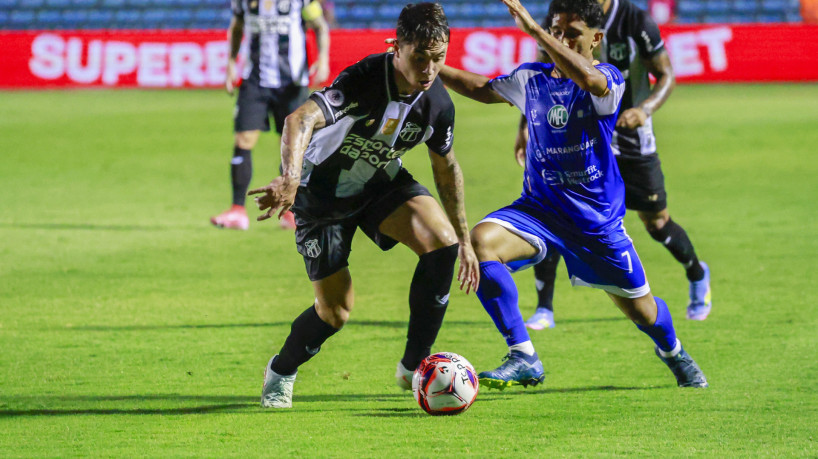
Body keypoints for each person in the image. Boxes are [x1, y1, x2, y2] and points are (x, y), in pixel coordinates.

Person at [438, 0, 708, 389]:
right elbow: (482, 87)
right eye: (556, 31)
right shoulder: (533, 77)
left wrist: (535, 30)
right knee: (481, 243)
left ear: (597, 39)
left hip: (594, 223)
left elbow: (591, 81)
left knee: (644, 312)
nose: (559, 40)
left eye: (571, 33)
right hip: (539, 211)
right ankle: (523, 354)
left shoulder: (608, 80)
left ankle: (673, 352)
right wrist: (431, 71)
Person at [248, 3, 480, 408]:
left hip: (379, 184)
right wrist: (289, 178)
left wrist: (465, 239)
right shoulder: (364, 79)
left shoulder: (437, 104)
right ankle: (282, 369)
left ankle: (414, 366)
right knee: (335, 312)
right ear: (397, 47)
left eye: (438, 58)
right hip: (321, 195)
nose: (429, 69)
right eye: (419, 57)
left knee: (443, 245)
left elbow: (446, 169)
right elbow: (298, 120)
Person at [520, 0, 711, 331]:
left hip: (630, 136)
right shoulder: (565, 17)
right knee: (554, 211)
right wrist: (525, 127)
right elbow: (540, 79)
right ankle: (544, 308)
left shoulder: (636, 20)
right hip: (575, 135)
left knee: (656, 222)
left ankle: (697, 273)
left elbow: (666, 73)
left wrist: (645, 110)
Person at [210, 0, 331, 231]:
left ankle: (291, 210)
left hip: (292, 82)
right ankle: (237, 211)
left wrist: (323, 59)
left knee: (292, 145)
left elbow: (320, 26)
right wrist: (231, 63)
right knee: (243, 141)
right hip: (254, 80)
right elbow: (237, 26)